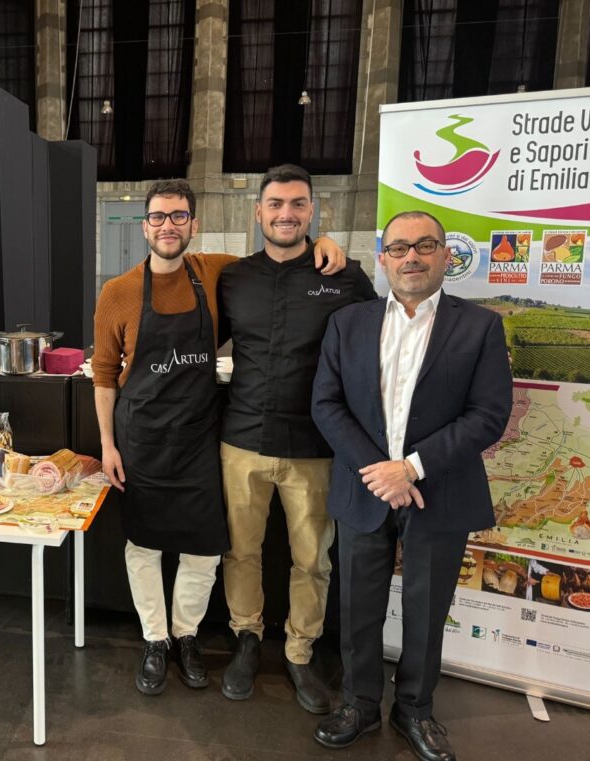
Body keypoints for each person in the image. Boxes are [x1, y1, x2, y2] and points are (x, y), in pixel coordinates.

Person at [93, 179, 346, 696]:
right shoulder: (116, 292)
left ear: (193, 224)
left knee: (206, 548)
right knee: (142, 546)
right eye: (159, 216)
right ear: (145, 226)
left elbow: (279, 254)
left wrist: (323, 243)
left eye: (179, 216)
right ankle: (155, 640)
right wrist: (107, 446)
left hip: (197, 439)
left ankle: (187, 635)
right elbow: (102, 373)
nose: (169, 225)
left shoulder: (214, 271)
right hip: (140, 437)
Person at [310, 211, 513, 761]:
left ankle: (415, 711)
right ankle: (357, 702)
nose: (411, 257)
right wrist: (381, 472)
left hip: (439, 489)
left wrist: (413, 468)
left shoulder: (479, 327)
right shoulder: (348, 324)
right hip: (365, 488)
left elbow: (489, 414)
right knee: (358, 605)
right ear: (383, 259)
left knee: (427, 609)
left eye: (425, 246)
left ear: (446, 255)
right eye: (399, 248)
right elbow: (326, 404)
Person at [217, 164, 376, 710]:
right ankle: (246, 637)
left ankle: (300, 652)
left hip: (315, 444)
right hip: (240, 437)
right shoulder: (234, 277)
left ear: (313, 212)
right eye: (276, 204)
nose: (287, 214)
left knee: (312, 558)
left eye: (298, 204)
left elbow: (374, 350)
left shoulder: (345, 276)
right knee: (242, 551)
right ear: (258, 211)